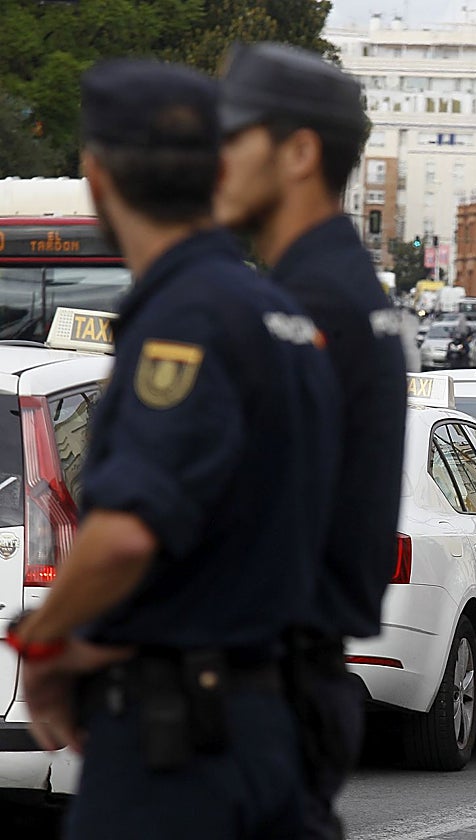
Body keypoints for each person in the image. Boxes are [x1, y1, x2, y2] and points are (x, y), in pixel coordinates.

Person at [7, 60, 339, 839]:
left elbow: (127, 530)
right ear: (221, 170)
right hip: (276, 728)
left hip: (180, 751)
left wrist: (49, 639)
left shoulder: (181, 323)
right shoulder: (287, 322)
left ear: (97, 174)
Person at [215, 42, 408, 839]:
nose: (216, 157)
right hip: (295, 682)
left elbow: (247, 523)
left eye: (235, 136)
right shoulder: (344, 292)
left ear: (297, 152)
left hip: (262, 691)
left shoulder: (305, 308)